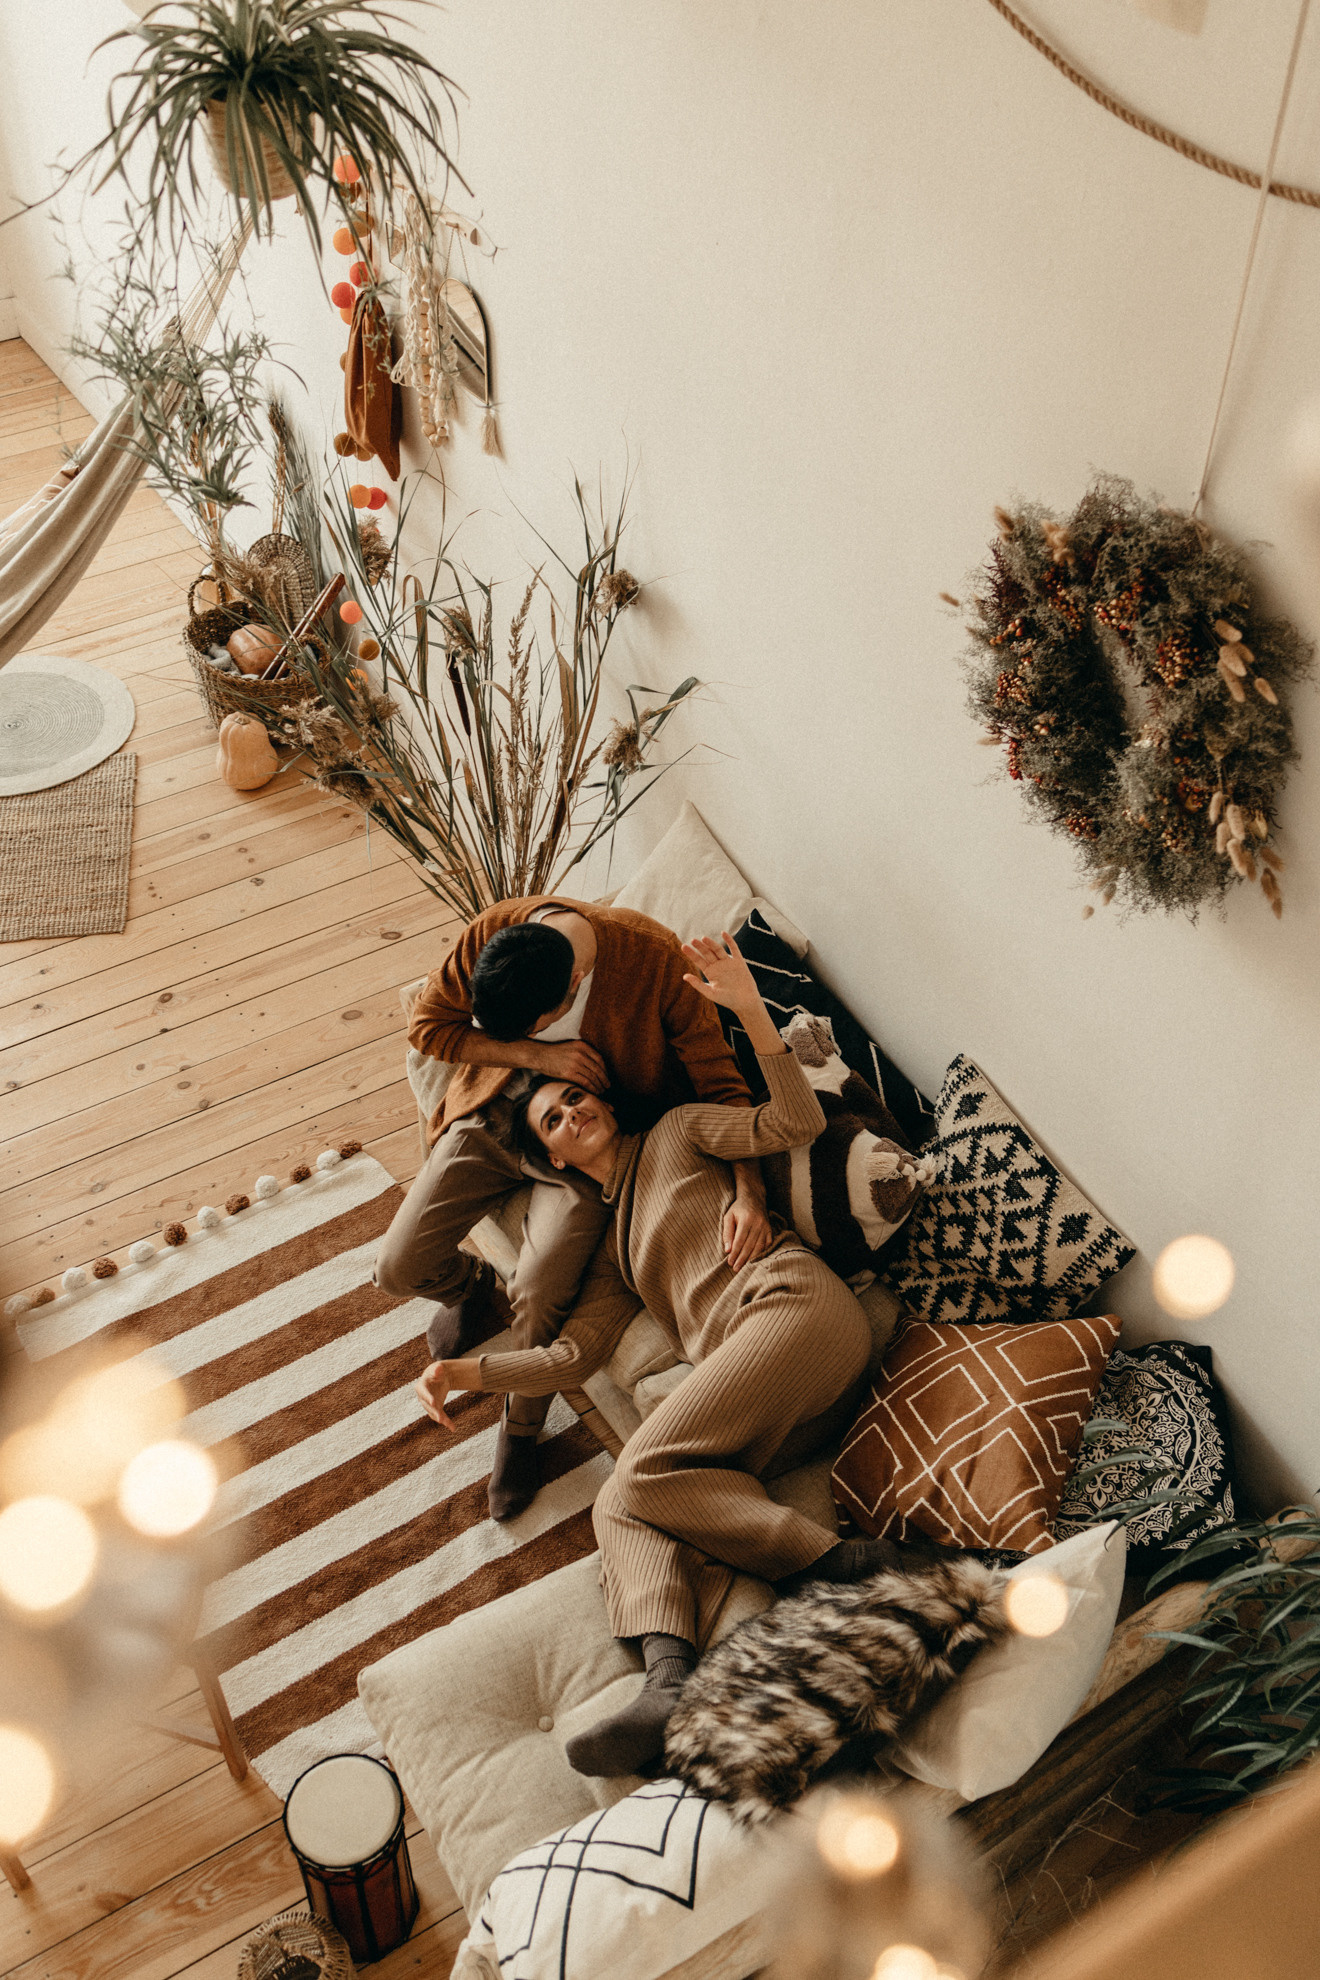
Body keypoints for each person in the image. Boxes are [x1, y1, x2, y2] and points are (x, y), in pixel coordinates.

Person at [415, 932, 910, 1776]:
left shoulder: (679, 1132)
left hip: (795, 1313)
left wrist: (749, 1010)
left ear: (603, 1102)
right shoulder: (612, 1250)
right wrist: (469, 1372)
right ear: (555, 1157)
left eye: (575, 1097)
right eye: (554, 1119)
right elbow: (573, 1356)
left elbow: (790, 1122)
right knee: (620, 1504)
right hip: (775, 1398)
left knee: (642, 1470)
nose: (573, 1113)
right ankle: (669, 1683)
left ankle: (838, 1565)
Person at [377, 896, 772, 1520]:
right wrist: (534, 1054)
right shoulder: (497, 930)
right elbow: (428, 1028)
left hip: (581, 1142)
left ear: (575, 984)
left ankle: (521, 1428)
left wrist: (750, 1192)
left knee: (538, 1292)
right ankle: (470, 1288)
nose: (526, 1035)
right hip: (494, 1111)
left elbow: (721, 1084)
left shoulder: (654, 961)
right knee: (397, 1269)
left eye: (535, 1027)